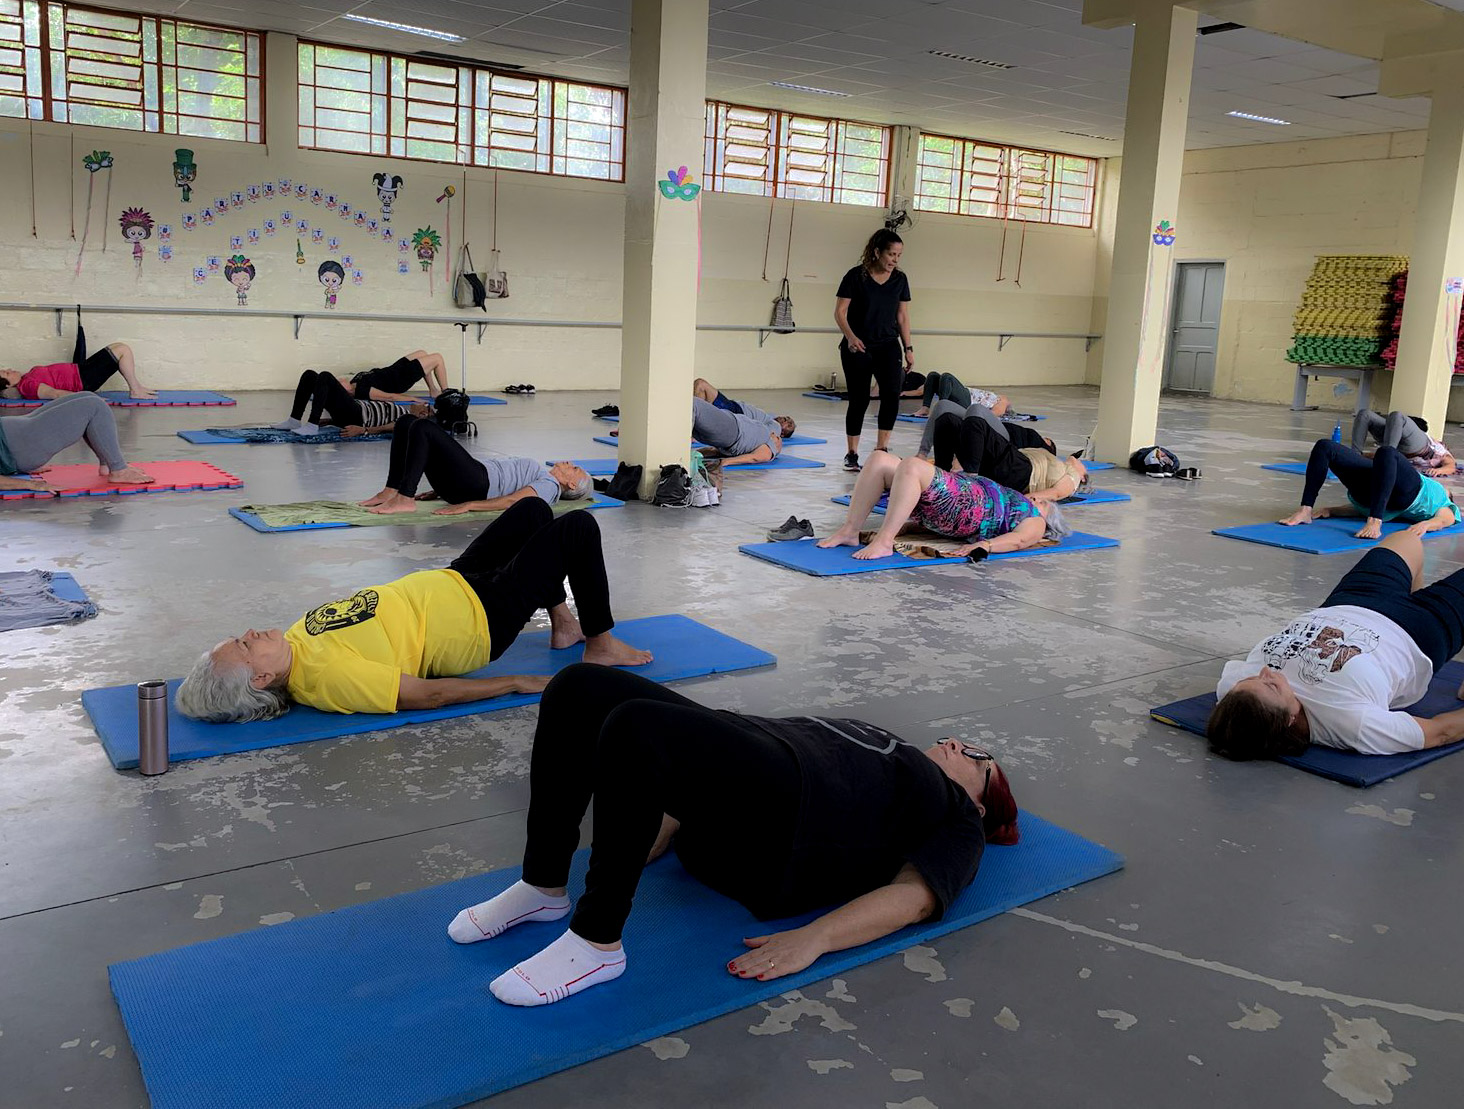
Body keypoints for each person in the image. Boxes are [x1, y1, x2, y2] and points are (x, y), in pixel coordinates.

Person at [444, 663, 1020, 1007]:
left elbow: (917, 896)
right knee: (578, 687)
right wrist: (646, 823)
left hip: (797, 813)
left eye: (977, 756)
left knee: (637, 728)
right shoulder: (899, 751)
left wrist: (814, 938)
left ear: (980, 798)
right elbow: (690, 784)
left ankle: (597, 944)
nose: (957, 743)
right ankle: (543, 886)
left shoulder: (958, 817)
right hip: (765, 764)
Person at [175, 498, 654, 723]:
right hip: (477, 622)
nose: (251, 632)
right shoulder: (325, 679)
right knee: (577, 528)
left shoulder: (294, 643)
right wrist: (516, 682)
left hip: (454, 581)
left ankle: (563, 623)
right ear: (259, 680)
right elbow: (427, 695)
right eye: (243, 645)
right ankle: (600, 645)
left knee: (531, 511)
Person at [1210, 529, 1464, 759]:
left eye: (1250, 679)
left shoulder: (1236, 695)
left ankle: (1414, 596)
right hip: (1416, 632)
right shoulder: (1354, 724)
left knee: (1407, 539)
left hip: (1349, 600)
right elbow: (1440, 732)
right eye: (1272, 687)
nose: (1266, 673)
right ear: (1289, 720)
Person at [817, 451, 1066, 561]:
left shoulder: (1035, 521)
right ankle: (850, 531)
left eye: (1045, 504)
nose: (1037, 499)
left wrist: (986, 545)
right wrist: (913, 527)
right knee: (879, 459)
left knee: (912, 466)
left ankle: (884, 542)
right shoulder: (1016, 498)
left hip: (969, 506)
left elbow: (1019, 541)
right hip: (960, 494)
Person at [358, 412, 592, 515]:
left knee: (423, 428)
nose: (570, 463)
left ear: (571, 485)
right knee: (406, 422)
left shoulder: (550, 486)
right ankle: (391, 491)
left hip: (475, 484)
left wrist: (469, 505)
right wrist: (438, 491)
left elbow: (513, 501)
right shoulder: (545, 475)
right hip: (468, 479)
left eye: (574, 468)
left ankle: (405, 498)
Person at [834, 229, 913, 473]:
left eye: (898, 255)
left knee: (891, 394)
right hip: (858, 345)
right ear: (877, 252)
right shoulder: (855, 276)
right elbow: (840, 312)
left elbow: (902, 316)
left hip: (888, 345)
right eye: (891, 254)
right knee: (860, 399)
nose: (894, 260)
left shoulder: (900, 280)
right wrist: (851, 337)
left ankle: (881, 449)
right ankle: (852, 452)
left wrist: (908, 347)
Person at [1279, 439, 1459, 540]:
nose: (1446, 487)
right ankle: (1305, 510)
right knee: (1325, 446)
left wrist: (1426, 525)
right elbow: (1356, 510)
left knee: (1387, 452)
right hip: (1374, 489)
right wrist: (1331, 510)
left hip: (1406, 494)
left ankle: (1375, 522)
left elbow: (1445, 520)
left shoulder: (1442, 500)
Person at [0, 392, 153, 493]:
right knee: (94, 407)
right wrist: (32, 484)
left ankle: (108, 463)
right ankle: (118, 470)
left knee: (89, 397)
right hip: (19, 445)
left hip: (17, 437)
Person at [273, 352, 448, 437]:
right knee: (310, 374)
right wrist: (332, 421)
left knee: (325, 376)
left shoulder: (409, 419)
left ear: (423, 413)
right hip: (353, 411)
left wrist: (363, 430)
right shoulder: (359, 383)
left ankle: (311, 425)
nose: (423, 402)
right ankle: (294, 420)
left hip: (358, 416)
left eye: (425, 405)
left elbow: (393, 425)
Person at [929, 409, 1087, 501]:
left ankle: (973, 485)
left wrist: (1019, 502)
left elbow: (1055, 493)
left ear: (1084, 477)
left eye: (1081, 463)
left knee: (976, 422)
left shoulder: (1073, 478)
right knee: (947, 420)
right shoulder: (1059, 461)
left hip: (1021, 472)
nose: (1077, 460)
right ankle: (938, 481)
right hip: (1005, 463)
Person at [0, 342, 155, 401]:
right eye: (7, 373)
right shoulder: (27, 385)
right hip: (83, 380)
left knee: (118, 346)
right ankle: (135, 390)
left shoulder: (27, 377)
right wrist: (87, 397)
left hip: (81, 370)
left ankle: (137, 387)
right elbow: (54, 393)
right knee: (123, 350)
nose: (10, 370)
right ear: (8, 386)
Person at [689, 396, 793, 466]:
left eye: (789, 424)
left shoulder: (771, 445)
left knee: (693, 404)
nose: (774, 435)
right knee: (691, 408)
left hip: (733, 428)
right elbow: (713, 451)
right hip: (729, 430)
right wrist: (695, 453)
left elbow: (755, 458)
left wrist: (725, 462)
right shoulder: (760, 439)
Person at [1351, 408, 1456, 477]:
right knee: (1365, 414)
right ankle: (1354, 455)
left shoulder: (1442, 454)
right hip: (1397, 442)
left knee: (1396, 416)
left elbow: (1451, 466)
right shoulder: (1439, 447)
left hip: (1415, 446)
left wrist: (1438, 471)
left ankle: (1387, 459)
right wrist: (1361, 456)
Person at [912, 373, 1010, 420]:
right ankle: (925, 408)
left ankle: (942, 408)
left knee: (947, 377)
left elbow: (992, 414)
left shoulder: (1002, 403)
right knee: (933, 375)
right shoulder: (997, 397)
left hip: (968, 401)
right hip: (965, 394)